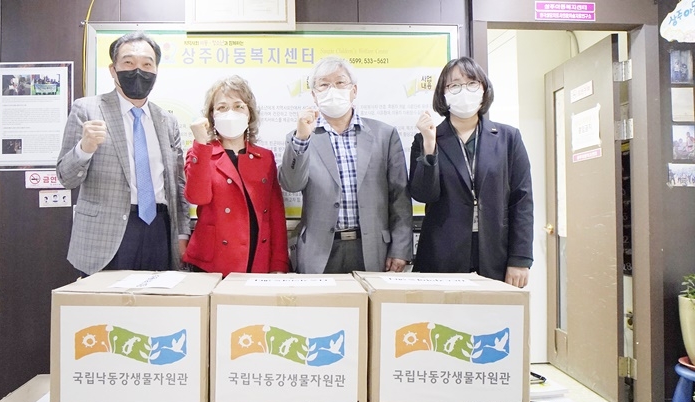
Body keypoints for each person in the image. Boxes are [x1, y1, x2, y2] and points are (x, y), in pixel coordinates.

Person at [57, 31, 190, 275]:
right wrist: (85, 148)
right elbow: (66, 178)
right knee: (105, 300)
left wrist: (182, 233)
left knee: (157, 298)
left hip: (159, 228)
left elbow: (178, 184)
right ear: (113, 69)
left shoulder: (167, 121)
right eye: (128, 62)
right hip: (105, 234)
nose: (138, 70)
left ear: (156, 71)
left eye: (147, 64)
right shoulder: (87, 109)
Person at [278, 55, 413, 274]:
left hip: (372, 249)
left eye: (340, 83)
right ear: (314, 95)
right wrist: (301, 139)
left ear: (354, 90)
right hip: (319, 251)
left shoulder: (384, 135)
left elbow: (400, 197)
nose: (332, 90)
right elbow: (291, 184)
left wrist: (401, 249)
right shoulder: (301, 136)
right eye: (324, 85)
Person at [408, 56, 533, 287]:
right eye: (454, 85)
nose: (464, 91)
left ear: (484, 89)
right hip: (441, 256)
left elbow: (522, 200)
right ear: (443, 94)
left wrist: (520, 259)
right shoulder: (426, 138)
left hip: (495, 253)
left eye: (472, 83)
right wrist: (429, 146)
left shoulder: (508, 138)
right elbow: (424, 195)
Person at [183, 75, 288, 277]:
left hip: (257, 256)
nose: (230, 113)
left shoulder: (265, 157)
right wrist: (201, 144)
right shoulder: (201, 153)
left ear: (249, 114)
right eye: (222, 107)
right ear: (212, 116)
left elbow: (275, 216)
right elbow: (197, 197)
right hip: (213, 262)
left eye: (238, 106)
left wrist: (279, 264)